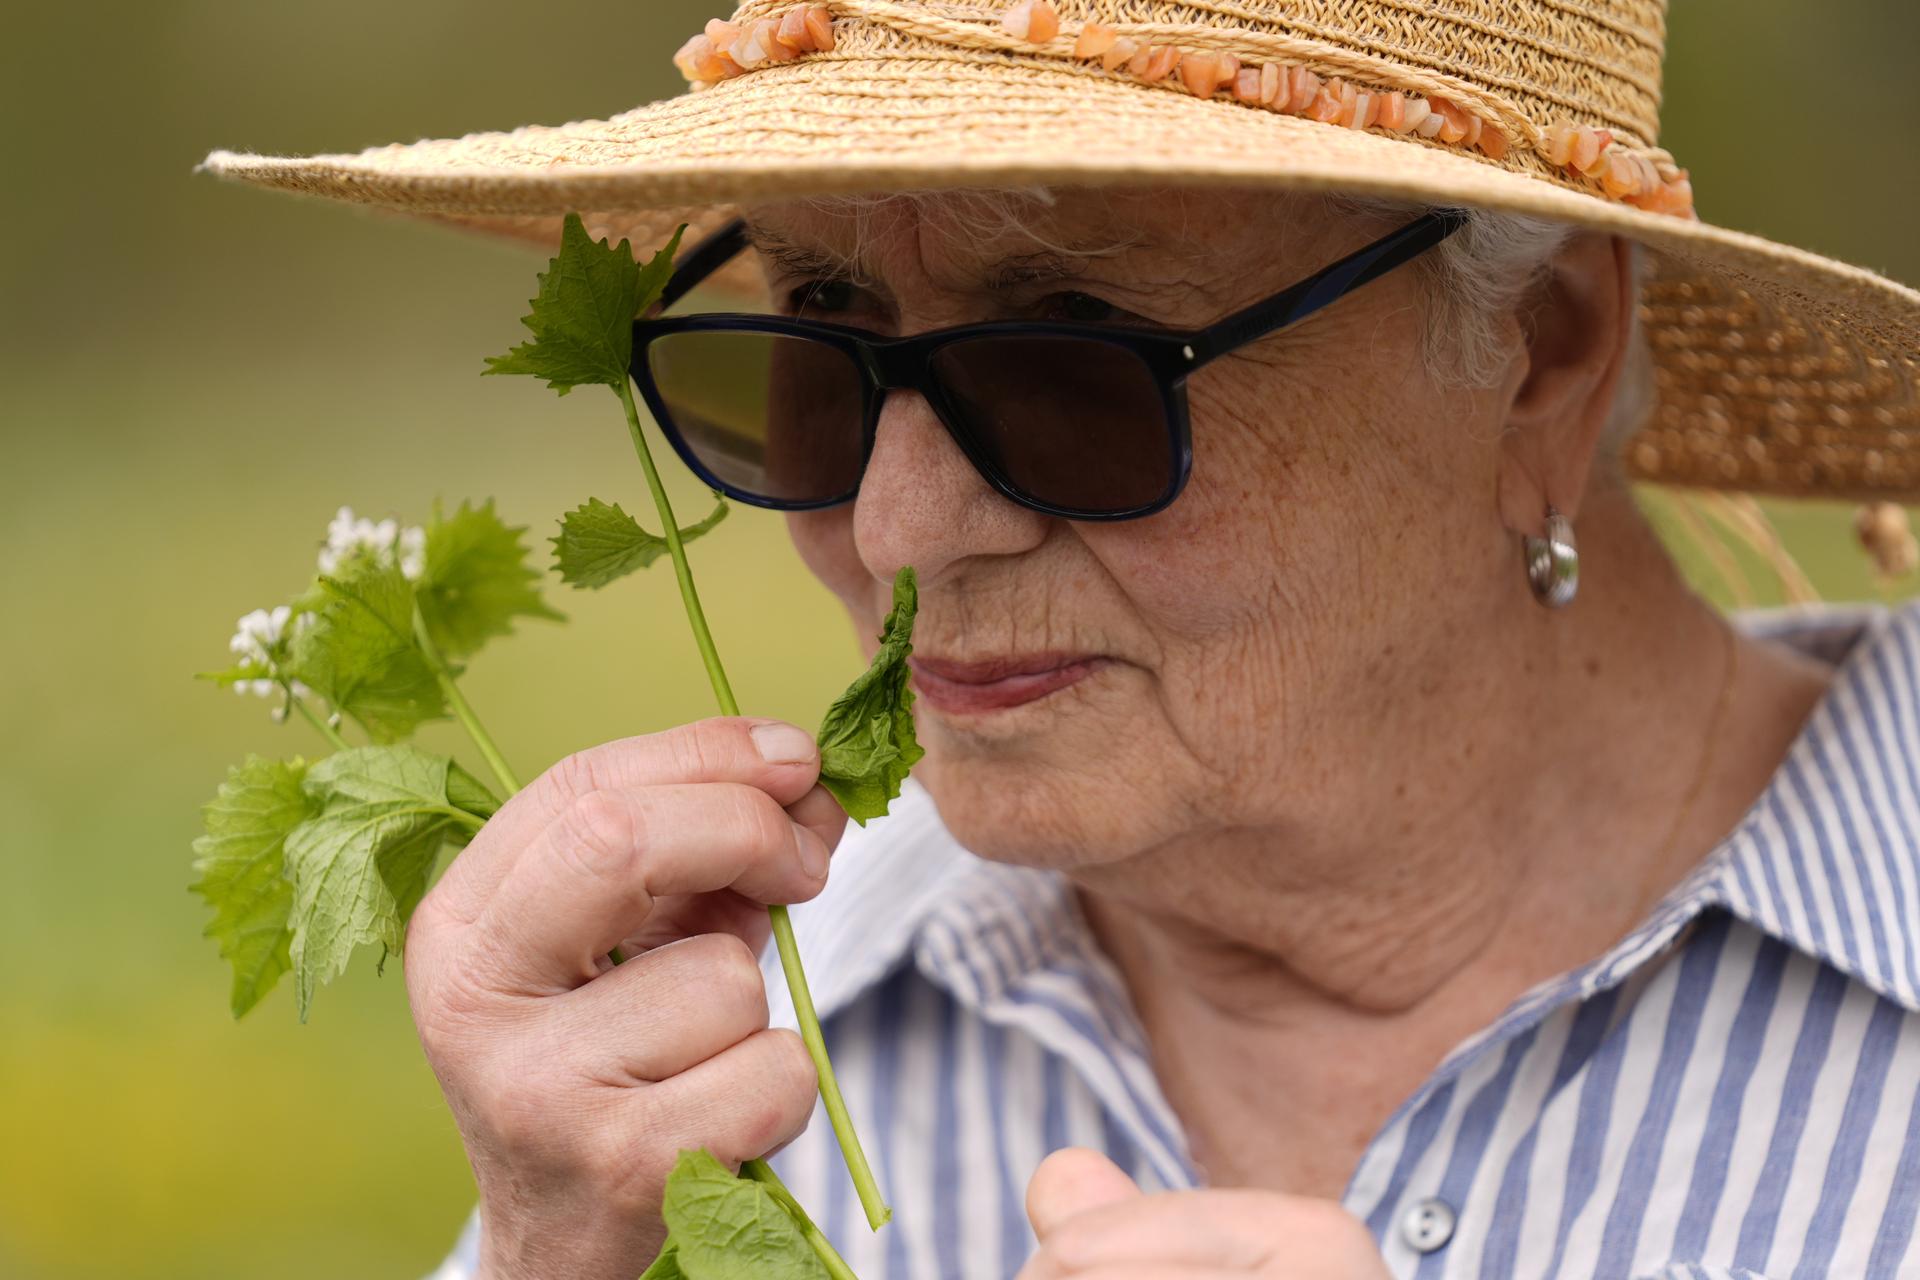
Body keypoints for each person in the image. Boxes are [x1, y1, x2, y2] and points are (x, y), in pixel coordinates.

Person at [204, 1, 1920, 1276]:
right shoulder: (756, 1039)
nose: (898, 528)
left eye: (1077, 359)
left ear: (1540, 349)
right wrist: (540, 1255)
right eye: (826, 333)